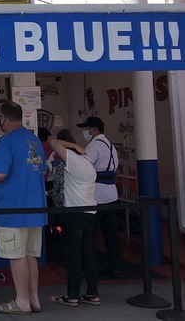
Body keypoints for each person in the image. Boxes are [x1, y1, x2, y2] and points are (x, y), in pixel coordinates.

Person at [0, 101, 47, 315]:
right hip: (35, 208)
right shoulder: (34, 140)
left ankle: (21, 301)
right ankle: (34, 299)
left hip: (12, 209)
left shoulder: (6, 141)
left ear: (5, 118)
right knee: (30, 255)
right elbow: (42, 170)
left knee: (16, 255)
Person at [47, 134, 101, 307]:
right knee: (88, 253)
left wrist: (74, 146)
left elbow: (53, 142)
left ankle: (72, 295)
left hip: (74, 214)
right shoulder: (88, 163)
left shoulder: (73, 161)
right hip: (90, 212)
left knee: (73, 255)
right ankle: (92, 293)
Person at [78, 116, 123, 277]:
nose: (84, 132)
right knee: (111, 234)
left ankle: (90, 267)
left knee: (89, 234)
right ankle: (115, 265)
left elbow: (83, 167)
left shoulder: (94, 146)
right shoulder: (111, 146)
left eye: (86, 128)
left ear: (94, 129)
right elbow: (116, 171)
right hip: (111, 194)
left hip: (97, 195)